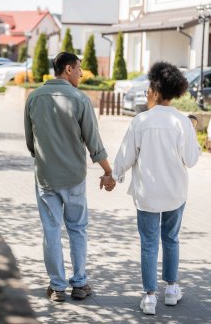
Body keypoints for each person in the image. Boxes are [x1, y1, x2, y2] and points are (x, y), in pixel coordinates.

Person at [100, 61, 200, 315]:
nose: (146, 95)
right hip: (175, 192)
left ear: (156, 91)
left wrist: (113, 176)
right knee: (171, 239)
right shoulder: (182, 122)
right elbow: (191, 160)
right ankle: (171, 290)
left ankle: (149, 297)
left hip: (147, 194)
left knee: (148, 243)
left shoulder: (141, 121)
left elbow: (125, 155)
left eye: (147, 90)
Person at [24, 52, 112, 302]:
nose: (82, 74)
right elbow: (94, 144)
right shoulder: (79, 99)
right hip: (74, 177)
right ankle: (80, 284)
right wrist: (107, 170)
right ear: (68, 69)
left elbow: (31, 143)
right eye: (79, 69)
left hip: (45, 178)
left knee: (51, 231)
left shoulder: (34, 98)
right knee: (77, 229)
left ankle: (57, 287)